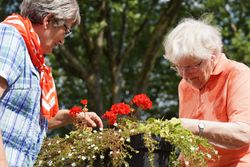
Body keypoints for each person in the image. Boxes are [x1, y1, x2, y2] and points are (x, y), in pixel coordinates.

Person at [0, 0, 103, 166]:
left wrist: (71, 116)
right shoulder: (10, 37)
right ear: (48, 20)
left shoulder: (33, 61)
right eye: (66, 30)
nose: (63, 41)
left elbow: (31, 121)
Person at [163, 18, 250, 166]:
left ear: (213, 56)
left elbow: (244, 133)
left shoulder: (238, 74)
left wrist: (195, 126)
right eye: (178, 67)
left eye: (191, 66)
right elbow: (192, 145)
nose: (185, 75)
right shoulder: (184, 85)